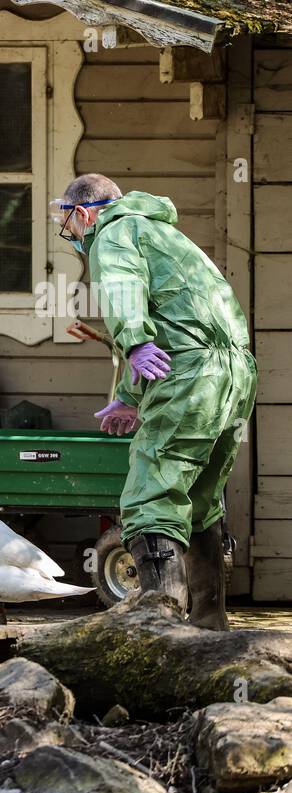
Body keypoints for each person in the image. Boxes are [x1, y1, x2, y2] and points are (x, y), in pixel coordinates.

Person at [54, 173, 256, 629]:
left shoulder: (113, 234)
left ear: (83, 213)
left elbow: (125, 292)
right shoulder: (166, 234)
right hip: (234, 373)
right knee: (201, 496)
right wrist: (129, 394)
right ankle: (209, 622)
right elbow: (182, 325)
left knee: (152, 491)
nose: (72, 232)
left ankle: (158, 624)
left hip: (192, 375)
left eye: (70, 220)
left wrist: (133, 341)